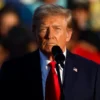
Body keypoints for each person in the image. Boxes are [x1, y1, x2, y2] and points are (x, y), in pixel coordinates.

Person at [0, 4, 100, 100]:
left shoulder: (90, 72)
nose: (50, 35)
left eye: (57, 29)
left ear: (68, 34)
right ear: (34, 31)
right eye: (44, 28)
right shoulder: (12, 71)